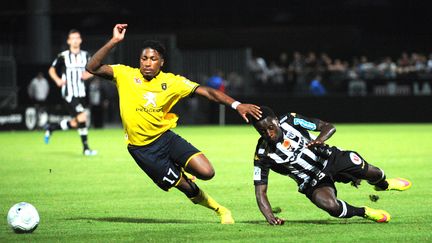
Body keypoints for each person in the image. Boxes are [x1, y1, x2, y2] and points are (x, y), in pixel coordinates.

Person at [85, 24, 262, 224]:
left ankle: (181, 168)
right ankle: (220, 210)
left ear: (161, 62)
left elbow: (208, 92)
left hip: (166, 138)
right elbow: (92, 68)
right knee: (187, 188)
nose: (147, 63)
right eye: (144, 58)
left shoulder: (172, 82)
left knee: (207, 172)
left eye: (153, 59)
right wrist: (114, 41)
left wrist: (237, 105)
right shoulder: (124, 74)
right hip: (143, 151)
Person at [249, 106, 412, 225]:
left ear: (276, 121)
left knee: (373, 173)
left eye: (271, 127)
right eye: (262, 132)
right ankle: (364, 212)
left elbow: (328, 127)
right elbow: (260, 191)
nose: (269, 134)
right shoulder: (262, 154)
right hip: (311, 180)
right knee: (331, 207)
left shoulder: (291, 120)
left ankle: (384, 185)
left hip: (331, 158)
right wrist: (269, 216)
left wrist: (320, 139)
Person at [45, 29, 97, 156]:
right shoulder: (63, 56)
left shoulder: (86, 55)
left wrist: (88, 75)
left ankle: (52, 127)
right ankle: (86, 149)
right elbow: (51, 70)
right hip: (69, 93)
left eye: (77, 37)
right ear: (69, 41)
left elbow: (94, 70)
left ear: (80, 40)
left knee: (76, 122)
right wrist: (57, 80)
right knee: (82, 117)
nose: (75, 40)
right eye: (72, 38)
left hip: (82, 93)